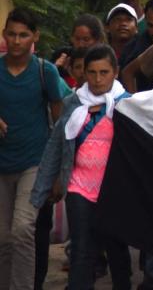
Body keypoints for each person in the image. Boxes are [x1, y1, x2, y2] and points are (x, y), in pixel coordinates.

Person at [30, 44, 130, 290]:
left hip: (114, 190)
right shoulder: (73, 102)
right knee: (82, 252)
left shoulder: (128, 105)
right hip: (79, 187)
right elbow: (56, 145)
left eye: (104, 72)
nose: (97, 79)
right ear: (83, 73)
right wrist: (41, 191)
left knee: (116, 250)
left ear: (115, 72)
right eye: (92, 72)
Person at [1, 9, 66, 290]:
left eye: (23, 35)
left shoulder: (45, 72)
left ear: (34, 37)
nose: (17, 41)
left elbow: (60, 123)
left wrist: (56, 173)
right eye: (12, 34)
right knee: (3, 238)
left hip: (33, 163)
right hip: (2, 165)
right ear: (4, 35)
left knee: (23, 229)